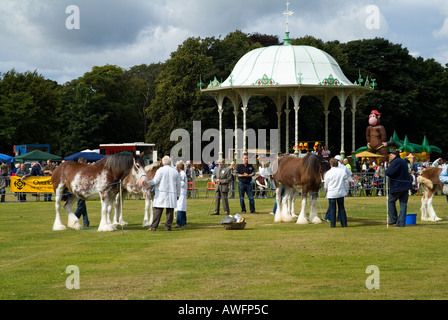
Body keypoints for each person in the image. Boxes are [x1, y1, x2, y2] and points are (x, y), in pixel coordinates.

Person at [141, 156, 180, 231]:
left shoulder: (160, 170)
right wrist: (178, 194)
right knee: (170, 211)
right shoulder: (175, 171)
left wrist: (147, 183)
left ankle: (153, 227)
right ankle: (168, 227)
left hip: (161, 194)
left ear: (162, 162)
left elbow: (155, 181)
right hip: (172, 194)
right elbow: (178, 184)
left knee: (157, 210)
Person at [385, 149, 413, 227]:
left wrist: (386, 170)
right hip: (405, 185)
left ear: (395, 155)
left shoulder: (396, 162)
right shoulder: (403, 161)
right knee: (403, 204)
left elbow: (389, 172)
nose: (390, 155)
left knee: (390, 201)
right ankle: (401, 223)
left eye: (391, 154)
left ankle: (393, 219)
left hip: (398, 186)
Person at [324, 158, 349, 228]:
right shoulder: (342, 171)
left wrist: (326, 188)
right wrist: (346, 190)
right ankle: (344, 224)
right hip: (340, 192)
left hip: (332, 193)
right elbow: (346, 182)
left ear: (331, 164)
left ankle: (332, 224)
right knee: (341, 208)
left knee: (332, 208)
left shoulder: (328, 173)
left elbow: (326, 183)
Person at [74, 157, 90, 227]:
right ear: (81, 162)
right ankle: (73, 219)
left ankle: (86, 222)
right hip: (80, 189)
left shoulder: (78, 169)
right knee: (80, 206)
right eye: (85, 162)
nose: (85, 164)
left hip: (82, 189)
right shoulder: (79, 169)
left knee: (83, 206)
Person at [175, 161, 188, 228]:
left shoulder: (181, 174)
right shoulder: (182, 173)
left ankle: (179, 223)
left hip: (181, 192)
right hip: (182, 192)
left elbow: (182, 183)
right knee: (182, 207)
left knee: (180, 208)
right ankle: (184, 222)